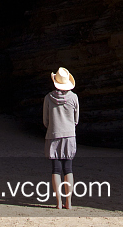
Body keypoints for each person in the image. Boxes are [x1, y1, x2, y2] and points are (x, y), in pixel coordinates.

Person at [43, 66, 79, 209]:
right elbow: (76, 120)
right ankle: (68, 202)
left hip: (53, 135)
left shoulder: (48, 98)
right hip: (69, 136)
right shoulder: (74, 97)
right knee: (68, 169)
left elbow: (45, 121)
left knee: (56, 170)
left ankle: (58, 203)